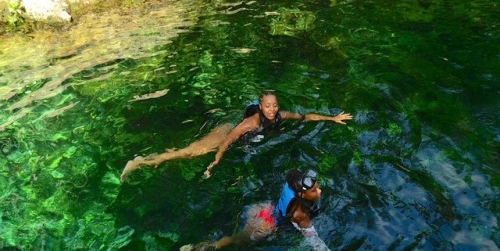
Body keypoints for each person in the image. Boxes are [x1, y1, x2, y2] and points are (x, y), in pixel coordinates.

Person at [120, 90, 353, 182]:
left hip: (241, 139)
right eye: (268, 106)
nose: (272, 110)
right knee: (191, 152)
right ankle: (142, 162)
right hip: (226, 133)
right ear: (261, 107)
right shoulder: (250, 123)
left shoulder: (282, 115)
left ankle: (152, 159)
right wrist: (216, 161)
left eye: (275, 106)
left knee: (190, 152)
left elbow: (305, 117)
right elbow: (230, 139)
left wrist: (332, 119)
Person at [179, 169, 345, 251]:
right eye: (315, 189)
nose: (320, 190)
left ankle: (205, 245)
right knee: (236, 240)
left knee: (237, 236)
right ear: (302, 195)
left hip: (263, 207)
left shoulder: (293, 182)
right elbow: (314, 240)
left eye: (318, 186)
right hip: (266, 225)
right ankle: (206, 246)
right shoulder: (299, 215)